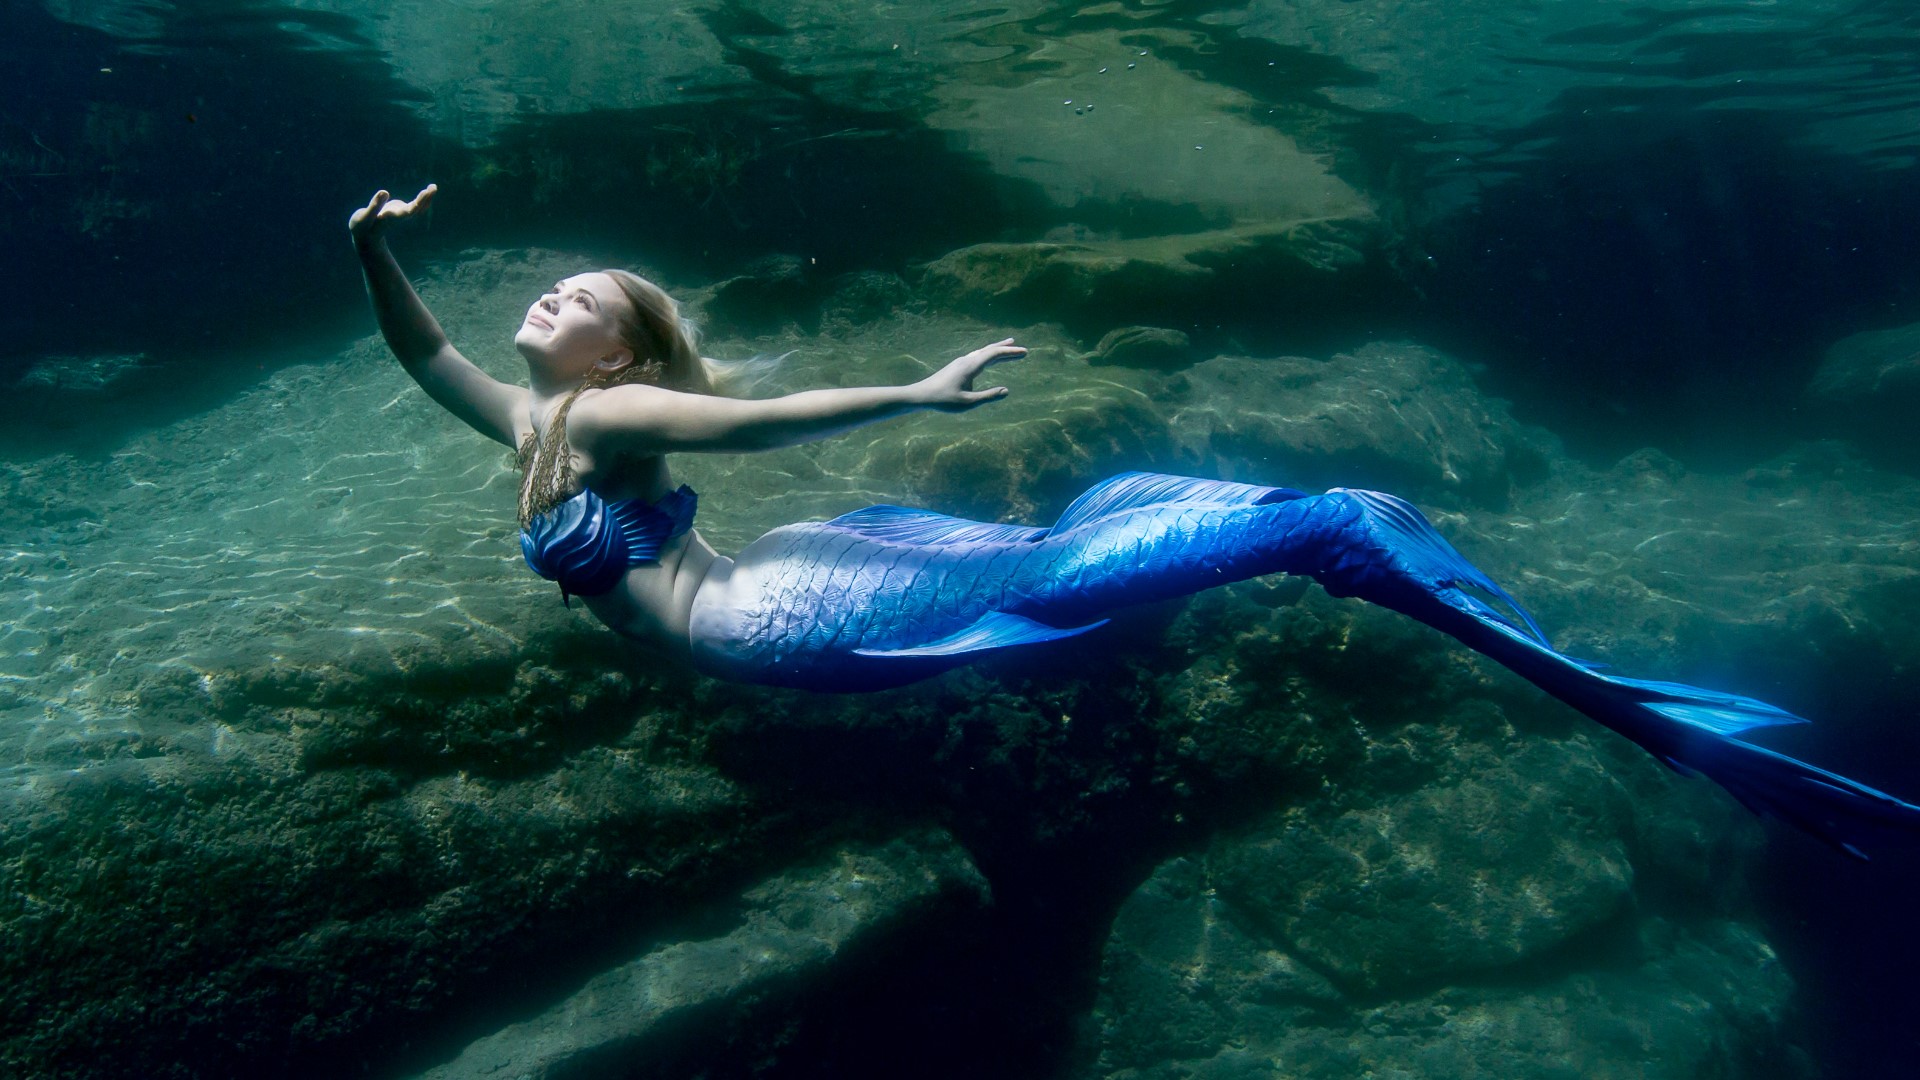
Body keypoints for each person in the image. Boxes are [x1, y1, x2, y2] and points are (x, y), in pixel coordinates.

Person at [352, 185, 1920, 858]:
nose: (537, 305)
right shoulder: (532, 418)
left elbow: (754, 422)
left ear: (617, 353)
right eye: (540, 297)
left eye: (572, 300)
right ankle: (1253, 524)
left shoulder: (614, 417)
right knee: (1061, 562)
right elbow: (427, 354)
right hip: (772, 587)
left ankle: (1382, 567)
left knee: (1285, 539)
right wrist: (372, 252)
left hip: (774, 620)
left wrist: (912, 396)